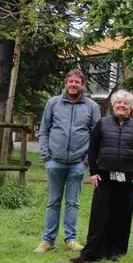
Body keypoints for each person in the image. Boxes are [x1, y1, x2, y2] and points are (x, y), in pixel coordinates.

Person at [71, 91, 133, 263]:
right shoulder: (102, 124)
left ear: (130, 108)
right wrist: (94, 173)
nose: (122, 106)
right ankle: (92, 252)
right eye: (119, 102)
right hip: (105, 176)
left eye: (125, 104)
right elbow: (92, 150)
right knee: (99, 214)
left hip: (127, 179)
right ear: (114, 105)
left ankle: (116, 252)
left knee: (122, 214)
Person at [35, 70, 101, 253]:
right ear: (66, 83)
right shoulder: (53, 103)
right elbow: (44, 130)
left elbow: (96, 136)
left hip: (78, 163)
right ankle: (48, 240)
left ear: (82, 85)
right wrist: (46, 157)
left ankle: (70, 239)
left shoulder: (91, 106)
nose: (73, 85)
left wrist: (87, 160)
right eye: (71, 81)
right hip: (54, 161)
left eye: (77, 82)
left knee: (73, 203)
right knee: (53, 202)